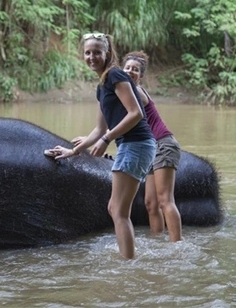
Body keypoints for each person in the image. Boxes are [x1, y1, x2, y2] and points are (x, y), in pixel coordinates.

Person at [45, 33, 156, 259]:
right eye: (88, 52)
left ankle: (128, 263)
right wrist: (73, 151)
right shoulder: (102, 85)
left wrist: (107, 139)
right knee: (115, 209)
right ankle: (129, 256)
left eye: (97, 52)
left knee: (118, 210)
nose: (92, 56)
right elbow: (98, 129)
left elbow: (136, 114)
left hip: (137, 144)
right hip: (131, 145)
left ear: (107, 53)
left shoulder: (116, 74)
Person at [122, 50, 182, 242]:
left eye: (136, 69)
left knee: (165, 200)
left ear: (141, 75)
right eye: (128, 68)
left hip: (164, 144)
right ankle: (158, 241)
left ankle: (177, 245)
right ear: (122, 70)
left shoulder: (136, 91)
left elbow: (128, 120)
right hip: (149, 148)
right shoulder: (126, 92)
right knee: (150, 203)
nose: (131, 71)